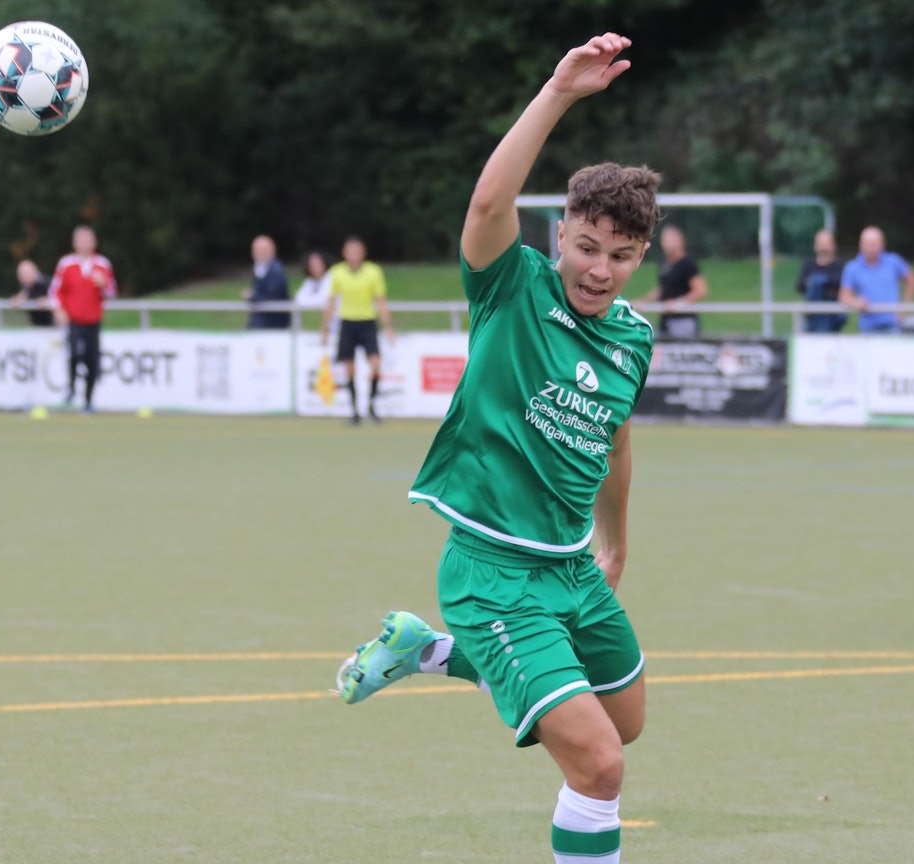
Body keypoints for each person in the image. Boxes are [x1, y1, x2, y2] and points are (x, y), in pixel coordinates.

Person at [333, 33, 656, 864]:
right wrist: (557, 93)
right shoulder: (512, 289)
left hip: (573, 568)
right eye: (586, 248)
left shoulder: (633, 339)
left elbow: (615, 440)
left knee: (625, 722)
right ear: (559, 239)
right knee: (599, 762)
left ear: (640, 259)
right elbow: (485, 208)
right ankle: (457, 638)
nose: (599, 270)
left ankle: (429, 650)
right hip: (491, 573)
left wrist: (615, 537)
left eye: (620, 257)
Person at [320, 236, 394, 425]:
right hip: (348, 323)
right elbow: (331, 302)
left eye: (357, 250)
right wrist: (325, 329)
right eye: (350, 250)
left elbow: (381, 300)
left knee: (376, 365)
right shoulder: (337, 273)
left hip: (367, 322)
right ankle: (354, 411)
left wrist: (388, 327)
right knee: (349, 369)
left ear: (363, 252)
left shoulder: (373, 272)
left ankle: (371, 405)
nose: (353, 254)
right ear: (344, 253)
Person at [50, 225, 117, 413]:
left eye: (88, 240)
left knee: (91, 360)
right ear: (74, 243)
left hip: (93, 321)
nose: (85, 244)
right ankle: (71, 387)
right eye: (81, 240)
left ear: (94, 242)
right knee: (73, 351)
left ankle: (88, 401)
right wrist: (59, 310)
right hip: (74, 320)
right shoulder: (66, 264)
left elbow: (112, 291)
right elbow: (55, 291)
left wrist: (104, 285)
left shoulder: (103, 264)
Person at [839, 226, 914, 334]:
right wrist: (856, 302)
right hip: (867, 326)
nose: (871, 248)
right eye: (868, 244)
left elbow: (912, 280)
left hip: (893, 324)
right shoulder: (852, 268)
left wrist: (905, 306)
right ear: (861, 245)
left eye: (874, 244)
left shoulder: (893, 261)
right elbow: (844, 296)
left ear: (882, 244)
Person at [639, 224, 707, 337]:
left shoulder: (687, 264)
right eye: (665, 239)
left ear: (680, 241)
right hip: (666, 318)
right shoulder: (665, 263)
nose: (667, 243)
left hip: (683, 320)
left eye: (671, 239)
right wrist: (644, 301)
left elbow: (700, 290)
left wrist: (678, 304)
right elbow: (663, 289)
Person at [795, 229, 846, 333]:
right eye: (821, 244)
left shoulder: (840, 266)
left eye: (826, 244)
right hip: (812, 316)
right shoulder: (809, 265)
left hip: (833, 316)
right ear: (815, 246)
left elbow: (843, 285)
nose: (823, 247)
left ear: (833, 245)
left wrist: (823, 282)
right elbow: (799, 286)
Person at [244, 235, 291, 329]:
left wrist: (252, 296)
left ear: (271, 251)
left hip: (273, 324)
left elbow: (272, 297)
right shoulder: (261, 268)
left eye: (260, 250)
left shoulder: (276, 271)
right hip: (261, 322)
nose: (256, 253)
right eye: (255, 250)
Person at [293, 250, 338, 342]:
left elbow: (324, 300)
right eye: (312, 265)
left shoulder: (333, 278)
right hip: (313, 328)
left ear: (324, 263)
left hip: (334, 328)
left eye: (318, 264)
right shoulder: (309, 282)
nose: (315, 267)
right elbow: (299, 299)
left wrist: (310, 301)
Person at [9, 260, 55, 327]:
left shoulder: (45, 282)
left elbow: (57, 296)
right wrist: (16, 300)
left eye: (27, 273)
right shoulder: (28, 286)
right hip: (39, 326)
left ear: (35, 272)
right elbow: (24, 294)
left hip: (54, 326)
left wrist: (47, 300)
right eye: (21, 274)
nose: (24, 277)